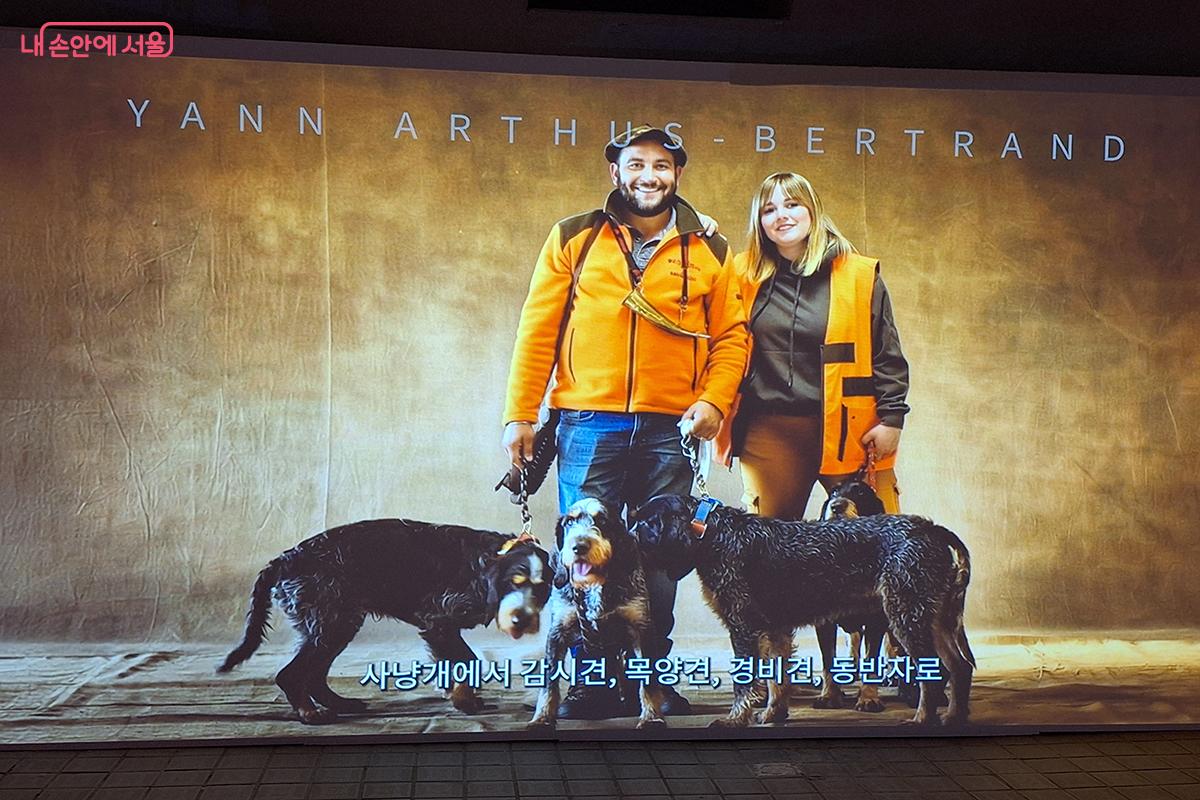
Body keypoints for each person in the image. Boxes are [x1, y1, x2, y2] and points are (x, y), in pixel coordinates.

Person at [502, 125, 748, 720]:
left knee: (659, 559)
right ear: (616, 172)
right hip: (588, 423)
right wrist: (520, 414)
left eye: (661, 165)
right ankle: (591, 684)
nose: (649, 176)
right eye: (636, 164)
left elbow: (732, 336)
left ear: (677, 174)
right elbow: (538, 330)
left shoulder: (711, 248)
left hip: (672, 428)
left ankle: (650, 683)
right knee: (582, 556)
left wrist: (714, 401)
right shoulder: (574, 236)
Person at [717, 172, 909, 518]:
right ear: (759, 221)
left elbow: (887, 354)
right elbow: (719, 340)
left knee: (870, 538)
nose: (781, 216)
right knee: (769, 544)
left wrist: (892, 419)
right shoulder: (741, 272)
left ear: (812, 211)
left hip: (850, 429)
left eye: (792, 205)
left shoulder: (858, 274)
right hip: (770, 430)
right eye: (769, 209)